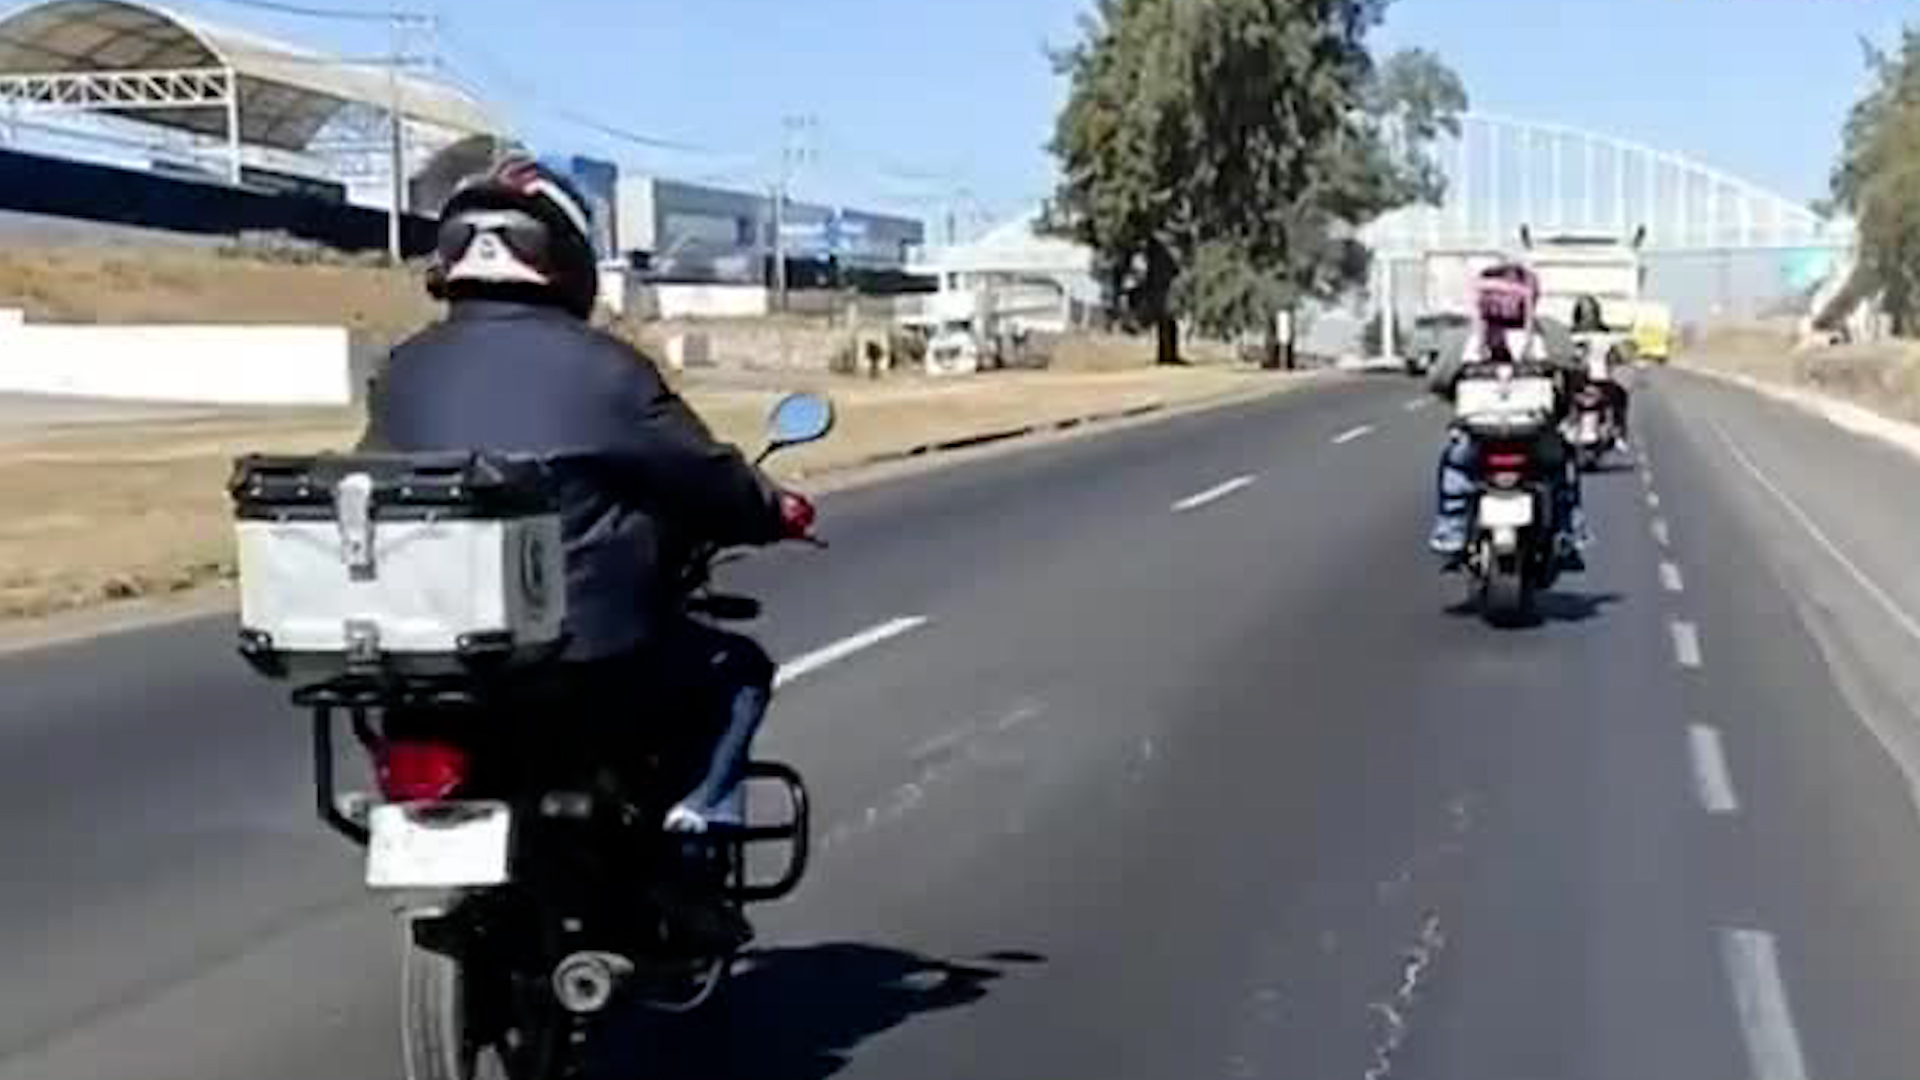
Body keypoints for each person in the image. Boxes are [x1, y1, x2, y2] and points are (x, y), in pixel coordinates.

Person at [356, 156, 816, 939]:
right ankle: (696, 823)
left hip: (426, 652)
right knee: (737, 673)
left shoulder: (404, 369)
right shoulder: (607, 369)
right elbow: (705, 478)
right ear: (565, 260)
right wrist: (774, 508)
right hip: (584, 657)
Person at [1426, 262, 1592, 567]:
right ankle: (1569, 532)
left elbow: (1438, 380)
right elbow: (1575, 372)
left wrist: (1458, 397)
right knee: (1562, 473)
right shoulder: (1549, 333)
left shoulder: (1464, 338)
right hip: (1537, 436)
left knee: (1455, 468)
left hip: (1477, 436)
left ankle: (1451, 530)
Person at [1570, 293, 1631, 450]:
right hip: (1599, 382)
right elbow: (1618, 354)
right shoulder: (1605, 334)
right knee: (1621, 397)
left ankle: (1566, 425)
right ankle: (1620, 434)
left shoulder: (1570, 334)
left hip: (1579, 383)